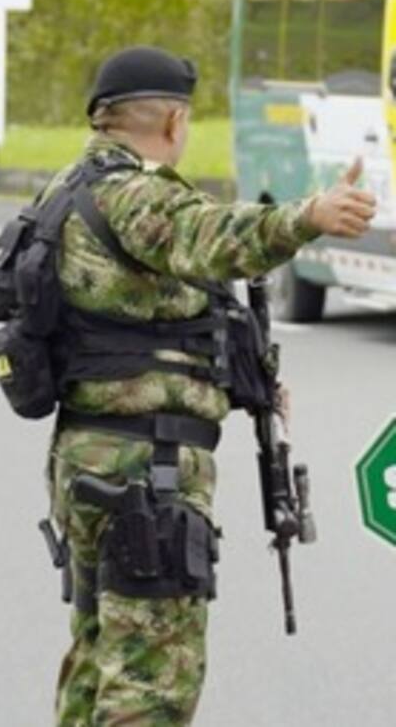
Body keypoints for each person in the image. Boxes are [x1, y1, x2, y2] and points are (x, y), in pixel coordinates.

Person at [19, 47, 375, 725]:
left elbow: (143, 318)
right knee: (152, 679)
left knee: (98, 655)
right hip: (146, 471)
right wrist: (307, 216)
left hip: (88, 455)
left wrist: (241, 384)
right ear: (175, 119)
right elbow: (212, 237)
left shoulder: (64, 189)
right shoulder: (135, 193)